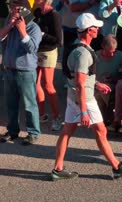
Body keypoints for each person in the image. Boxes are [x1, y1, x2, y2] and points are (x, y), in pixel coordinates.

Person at [51, 13, 122, 181]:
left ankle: (58, 169)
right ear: (89, 31)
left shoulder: (75, 47)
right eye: (96, 27)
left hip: (74, 97)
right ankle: (117, 166)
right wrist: (84, 111)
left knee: (67, 132)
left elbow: (77, 77)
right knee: (101, 131)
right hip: (84, 99)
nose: (98, 29)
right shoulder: (84, 54)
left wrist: (96, 84)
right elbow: (80, 83)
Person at [0, 0, 42, 145]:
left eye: (14, 8)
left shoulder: (34, 28)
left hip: (26, 72)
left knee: (29, 104)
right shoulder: (9, 22)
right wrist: (10, 25)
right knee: (10, 104)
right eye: (10, 7)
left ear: (23, 10)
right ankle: (12, 131)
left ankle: (33, 133)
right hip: (9, 70)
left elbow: (32, 48)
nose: (11, 10)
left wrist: (22, 30)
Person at [34, 0, 63, 131]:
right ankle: (41, 115)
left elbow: (58, 40)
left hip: (48, 51)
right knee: (34, 83)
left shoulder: (54, 15)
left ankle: (57, 117)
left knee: (48, 85)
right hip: (36, 51)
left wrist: (42, 35)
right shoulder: (37, 12)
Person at [95, 34, 122, 125]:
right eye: (109, 52)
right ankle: (104, 117)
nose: (112, 54)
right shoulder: (95, 57)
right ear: (103, 47)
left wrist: (115, 78)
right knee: (99, 93)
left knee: (105, 91)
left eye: (114, 51)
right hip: (97, 85)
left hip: (115, 85)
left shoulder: (121, 57)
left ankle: (110, 117)